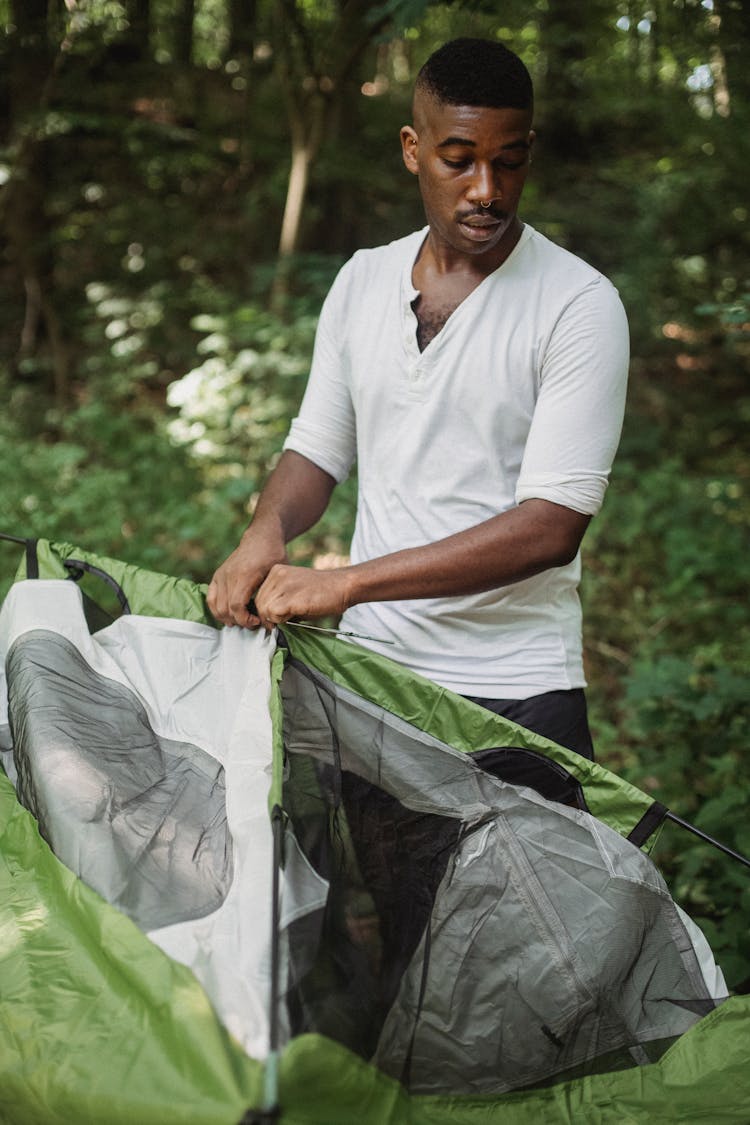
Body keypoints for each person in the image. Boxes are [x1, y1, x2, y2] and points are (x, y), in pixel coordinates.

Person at [207, 37, 629, 759]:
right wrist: (266, 530)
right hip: (372, 678)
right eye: (458, 159)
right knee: (369, 876)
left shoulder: (579, 304)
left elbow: (551, 526)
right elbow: (316, 447)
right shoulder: (363, 280)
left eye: (509, 161)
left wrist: (345, 586)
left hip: (513, 694)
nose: (486, 188)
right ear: (412, 148)